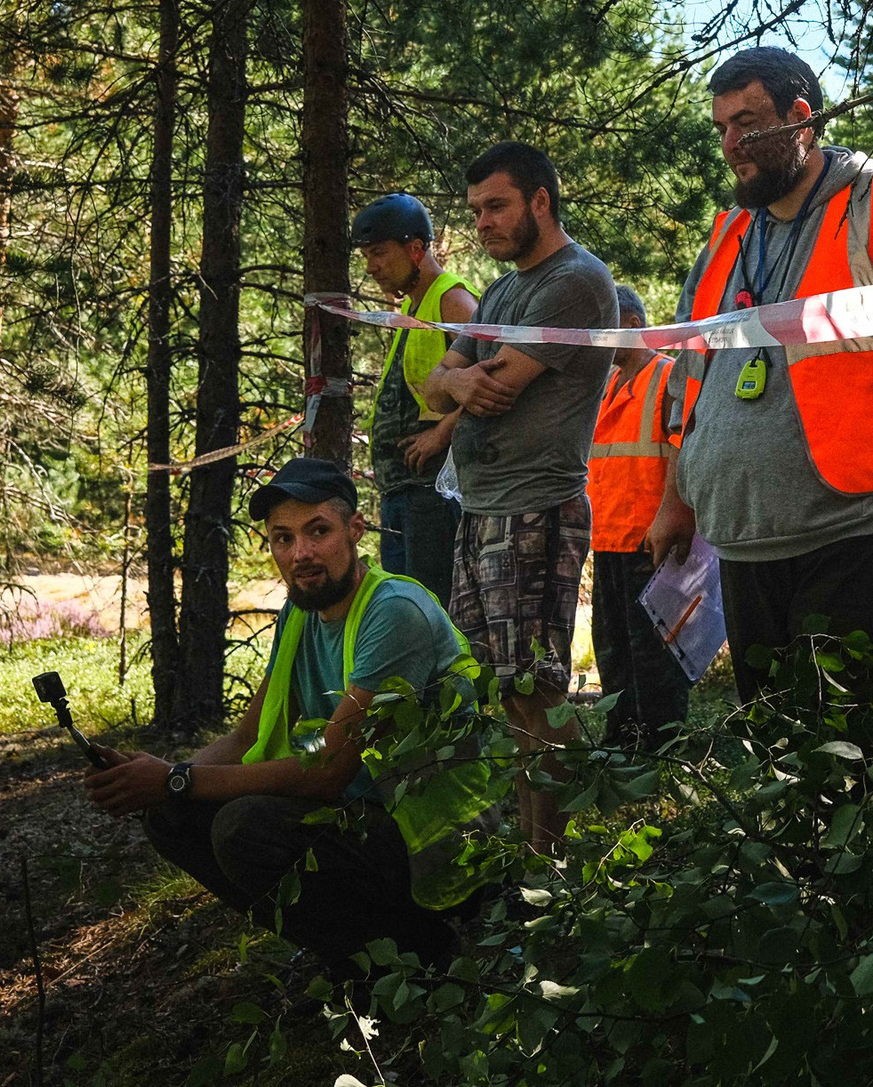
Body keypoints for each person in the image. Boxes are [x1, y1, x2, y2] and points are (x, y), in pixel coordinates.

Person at [647, 47, 873, 707]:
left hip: (866, 532)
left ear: (801, 118)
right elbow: (690, 382)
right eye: (720, 128)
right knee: (780, 749)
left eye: (746, 123)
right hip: (747, 541)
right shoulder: (725, 240)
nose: (730, 144)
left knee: (864, 747)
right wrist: (676, 500)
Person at [83, 457, 489, 975]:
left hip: (439, 841)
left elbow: (326, 772)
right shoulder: (301, 613)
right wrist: (159, 778)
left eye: (318, 531)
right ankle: (350, 948)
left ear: (355, 530)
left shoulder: (392, 612)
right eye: (282, 538)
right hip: (364, 810)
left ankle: (414, 952)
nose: (301, 554)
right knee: (172, 816)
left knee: (243, 827)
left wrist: (178, 780)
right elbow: (248, 735)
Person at [418, 142, 617, 838]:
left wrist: (461, 381)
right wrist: (454, 381)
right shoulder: (500, 291)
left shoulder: (577, 281)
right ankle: (528, 858)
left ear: (541, 200)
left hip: (535, 508)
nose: (482, 223)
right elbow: (436, 381)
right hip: (482, 510)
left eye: (496, 205)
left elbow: (493, 384)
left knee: (538, 691)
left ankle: (550, 867)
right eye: (475, 211)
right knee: (506, 691)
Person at [349, 192, 478, 606]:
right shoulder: (414, 307)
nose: (371, 267)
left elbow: (494, 375)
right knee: (403, 610)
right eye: (367, 255)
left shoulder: (452, 299)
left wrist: (441, 433)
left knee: (430, 611)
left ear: (416, 249)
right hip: (403, 495)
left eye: (379, 253)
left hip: (432, 497)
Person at [585, 283, 692, 747]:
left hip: (650, 541)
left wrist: (670, 519)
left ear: (631, 325)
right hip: (608, 537)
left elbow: (679, 449)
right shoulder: (607, 385)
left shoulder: (667, 376)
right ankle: (621, 739)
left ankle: (661, 749)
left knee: (653, 656)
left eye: (602, 330)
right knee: (613, 652)